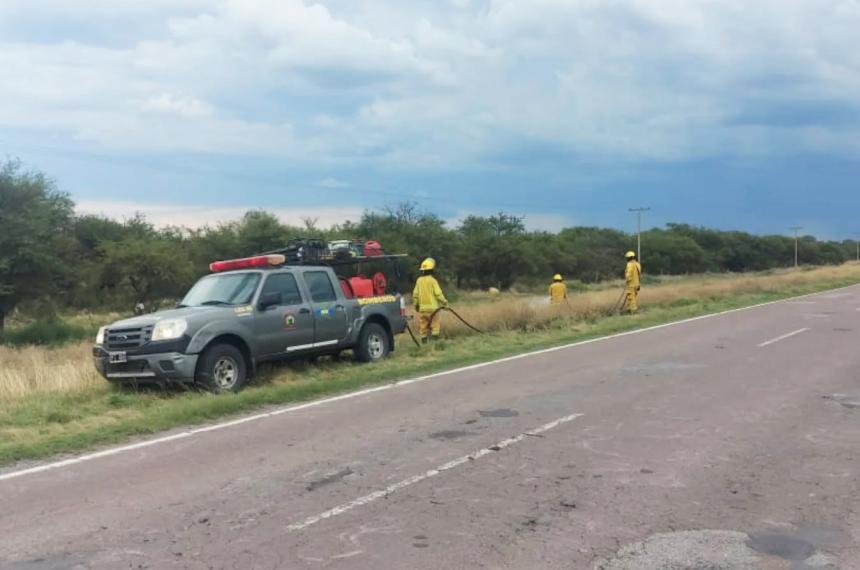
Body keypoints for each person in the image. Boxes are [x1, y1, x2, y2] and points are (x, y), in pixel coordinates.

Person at [413, 258, 448, 342]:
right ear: (432, 270)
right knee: (435, 326)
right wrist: (445, 302)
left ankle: (425, 346)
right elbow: (438, 294)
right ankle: (435, 345)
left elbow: (415, 295)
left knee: (423, 327)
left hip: (422, 309)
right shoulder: (433, 281)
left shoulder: (419, 281)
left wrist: (416, 305)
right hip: (433, 310)